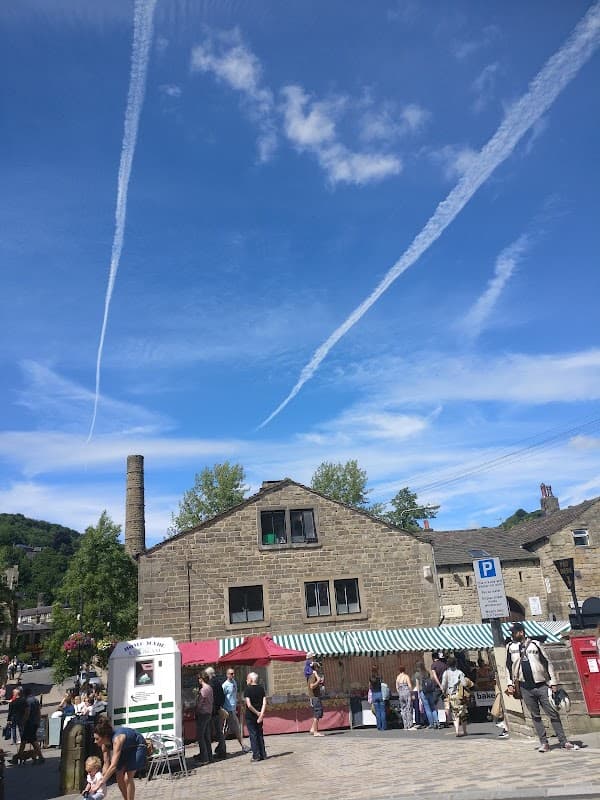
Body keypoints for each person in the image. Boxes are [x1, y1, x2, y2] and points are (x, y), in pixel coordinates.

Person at [506, 621, 579, 752]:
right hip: (524, 686)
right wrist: (510, 683)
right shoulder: (510, 647)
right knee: (535, 716)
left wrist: (553, 682)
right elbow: (508, 666)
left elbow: (547, 663)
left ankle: (563, 740)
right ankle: (544, 742)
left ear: (521, 632)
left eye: (513, 632)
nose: (512, 635)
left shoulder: (535, 644)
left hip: (541, 685)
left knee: (552, 713)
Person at [94, 719, 146, 800]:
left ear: (105, 737)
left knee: (127, 777)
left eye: (97, 739)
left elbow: (113, 766)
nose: (95, 741)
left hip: (137, 745)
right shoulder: (104, 745)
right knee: (118, 776)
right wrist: (101, 779)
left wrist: (101, 782)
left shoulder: (117, 740)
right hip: (124, 749)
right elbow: (106, 763)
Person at [441, 655, 472, 738]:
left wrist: (444, 691)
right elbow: (465, 683)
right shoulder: (459, 672)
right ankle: (465, 731)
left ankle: (457, 730)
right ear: (456, 663)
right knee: (463, 713)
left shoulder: (446, 673)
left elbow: (443, 685)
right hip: (460, 695)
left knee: (455, 714)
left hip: (451, 695)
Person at [12, 686, 45, 764]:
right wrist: (39, 720)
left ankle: (40, 757)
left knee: (30, 740)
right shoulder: (36, 700)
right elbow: (39, 711)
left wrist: (23, 721)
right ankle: (18, 758)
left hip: (29, 723)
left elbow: (27, 712)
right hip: (35, 722)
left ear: (25, 694)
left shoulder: (27, 701)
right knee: (27, 740)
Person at [222, 669, 250, 752]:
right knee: (237, 727)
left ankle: (221, 745)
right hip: (228, 709)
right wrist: (223, 709)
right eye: (231, 674)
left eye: (234, 673)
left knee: (227, 729)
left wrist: (240, 703)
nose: (233, 675)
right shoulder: (225, 685)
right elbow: (222, 697)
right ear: (227, 675)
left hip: (233, 708)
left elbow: (235, 694)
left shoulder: (234, 682)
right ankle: (243, 745)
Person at [204, 666, 227, 759]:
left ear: (208, 674)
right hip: (217, 710)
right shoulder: (218, 682)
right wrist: (220, 706)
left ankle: (208, 753)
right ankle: (222, 750)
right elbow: (222, 696)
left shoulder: (210, 684)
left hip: (211, 711)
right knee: (219, 731)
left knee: (208, 732)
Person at [243, 672, 267, 762]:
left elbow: (248, 705)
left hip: (251, 715)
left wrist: (257, 713)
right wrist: (261, 713)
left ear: (251, 679)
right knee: (260, 734)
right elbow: (264, 702)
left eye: (248, 678)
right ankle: (263, 754)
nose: (247, 680)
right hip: (260, 715)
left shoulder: (247, 690)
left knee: (253, 735)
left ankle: (256, 755)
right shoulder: (261, 689)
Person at [194, 670, 214, 765]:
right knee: (206, 736)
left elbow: (200, 703)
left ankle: (204, 758)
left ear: (201, 679)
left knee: (200, 736)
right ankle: (209, 756)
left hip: (202, 714)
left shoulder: (203, 690)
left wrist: (196, 709)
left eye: (199, 679)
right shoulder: (210, 688)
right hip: (209, 713)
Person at [307, 660, 325, 736]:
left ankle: (312, 729)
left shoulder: (313, 675)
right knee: (317, 713)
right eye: (317, 667)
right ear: (315, 668)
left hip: (315, 697)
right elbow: (312, 686)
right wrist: (318, 681)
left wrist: (319, 681)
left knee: (317, 713)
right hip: (315, 697)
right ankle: (315, 732)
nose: (319, 669)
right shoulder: (312, 676)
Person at [395, 665, 414, 730]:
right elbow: (410, 685)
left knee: (403, 709)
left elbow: (397, 687)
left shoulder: (398, 677)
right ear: (404, 669)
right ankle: (410, 724)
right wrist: (411, 693)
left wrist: (400, 692)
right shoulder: (406, 676)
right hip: (406, 692)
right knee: (408, 708)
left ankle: (405, 724)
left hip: (401, 693)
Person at [369, 667, 386, 731]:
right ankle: (383, 726)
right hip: (380, 693)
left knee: (377, 711)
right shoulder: (379, 677)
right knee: (382, 711)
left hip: (374, 694)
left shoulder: (370, 678)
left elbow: (370, 686)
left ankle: (378, 726)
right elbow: (382, 684)